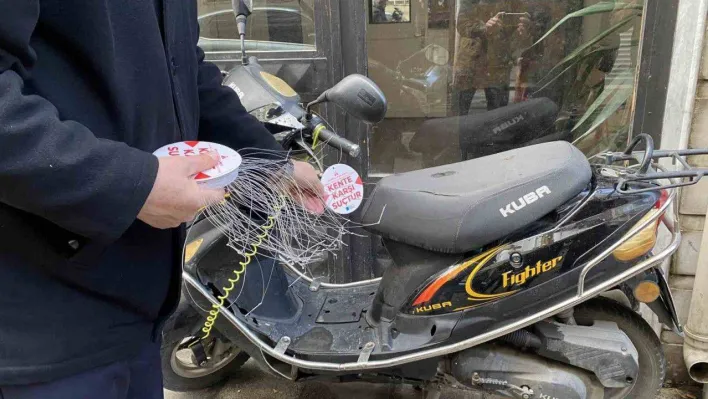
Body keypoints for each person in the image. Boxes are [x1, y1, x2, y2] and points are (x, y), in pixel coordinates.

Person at [0, 1, 323, 398]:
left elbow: (188, 72)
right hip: (47, 329)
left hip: (141, 313)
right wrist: (133, 186)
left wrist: (273, 164)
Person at [451, 0, 532, 115]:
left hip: (499, 61)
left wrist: (524, 32)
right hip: (471, 60)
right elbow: (462, 24)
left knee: (498, 117)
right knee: (459, 113)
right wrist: (484, 28)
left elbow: (518, 33)